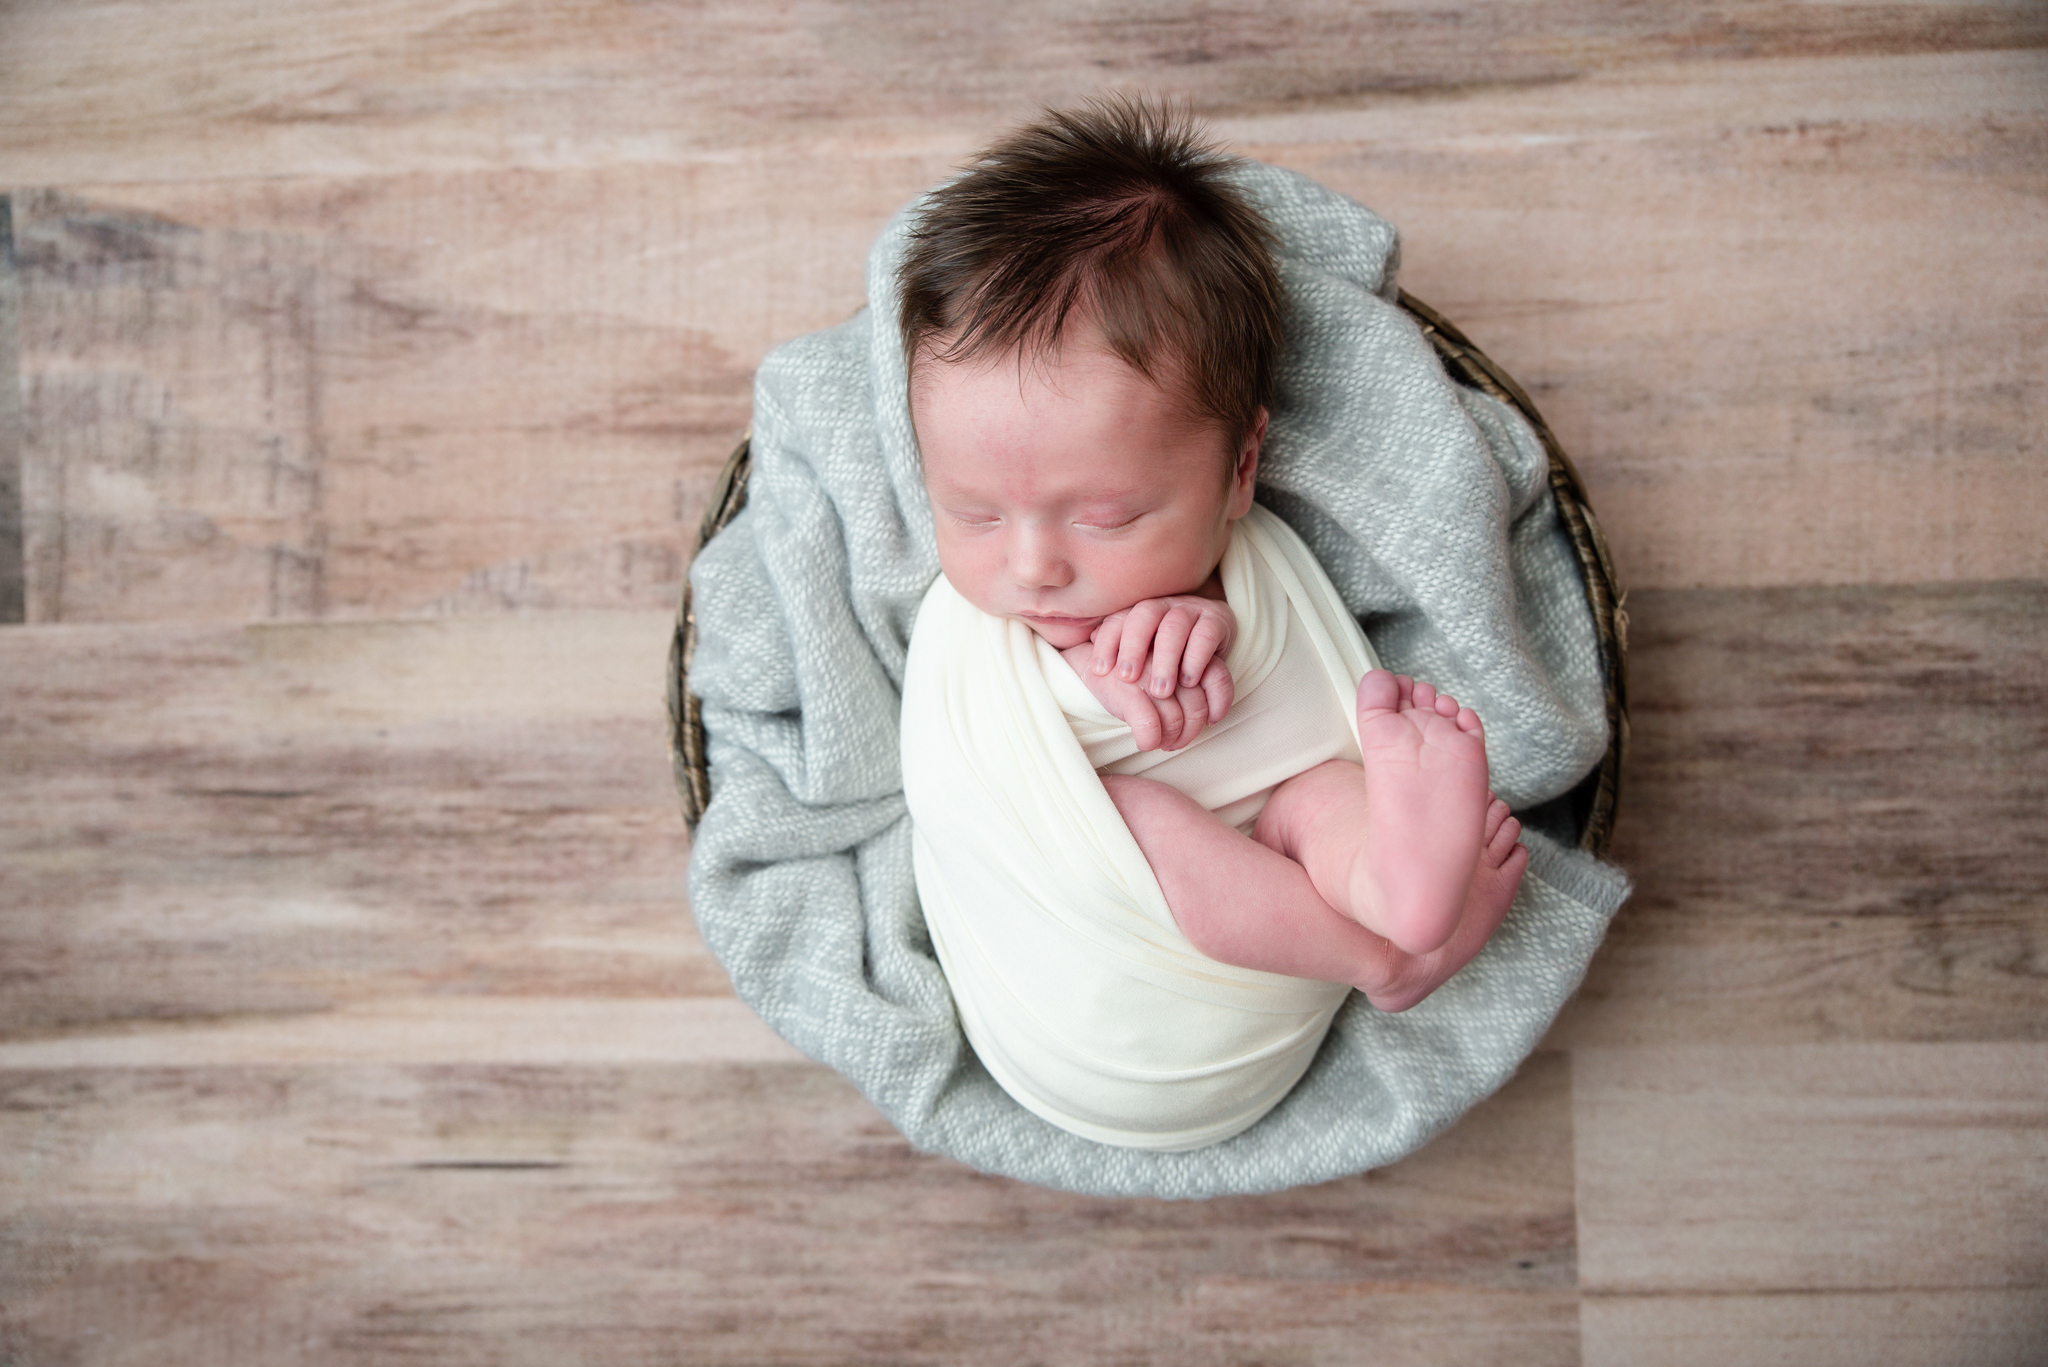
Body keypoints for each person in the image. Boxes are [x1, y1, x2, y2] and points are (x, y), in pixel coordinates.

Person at [896, 98, 1528, 1148]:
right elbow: (992, 760)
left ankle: (1392, 885)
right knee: (1143, 823)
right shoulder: (986, 637)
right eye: (970, 512)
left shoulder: (1251, 564)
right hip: (1108, 1023)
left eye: (1106, 516)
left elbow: (1260, 676)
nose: (1030, 565)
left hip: (1259, 901)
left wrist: (1203, 619)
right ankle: (1382, 959)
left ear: (1240, 469)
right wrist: (1089, 678)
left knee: (1320, 795)